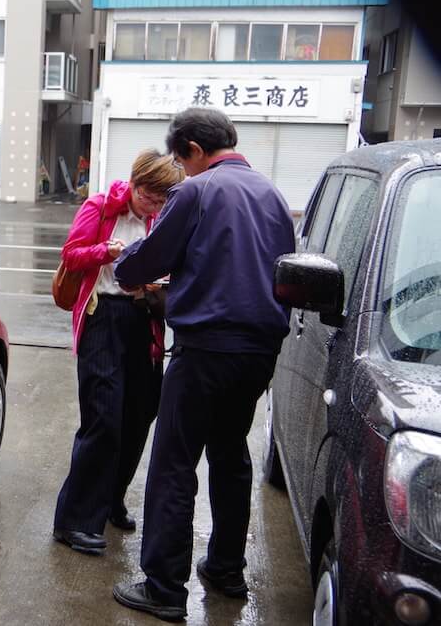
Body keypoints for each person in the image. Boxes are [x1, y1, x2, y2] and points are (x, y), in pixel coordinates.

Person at [110, 108, 296, 622]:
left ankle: (165, 588)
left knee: (174, 462)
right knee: (232, 455)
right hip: (259, 352)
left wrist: (126, 269)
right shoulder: (272, 195)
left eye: (180, 158)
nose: (180, 170)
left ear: (193, 147)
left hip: (206, 348)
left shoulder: (197, 191)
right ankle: (226, 569)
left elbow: (148, 259)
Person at [53, 149, 183, 555]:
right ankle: (74, 520)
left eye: (163, 201)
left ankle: (111, 500)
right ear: (134, 182)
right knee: (103, 418)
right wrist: (105, 252)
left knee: (140, 413)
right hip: (103, 316)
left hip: (143, 318)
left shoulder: (160, 216)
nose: (155, 206)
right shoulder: (99, 206)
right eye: (150, 197)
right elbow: (71, 254)